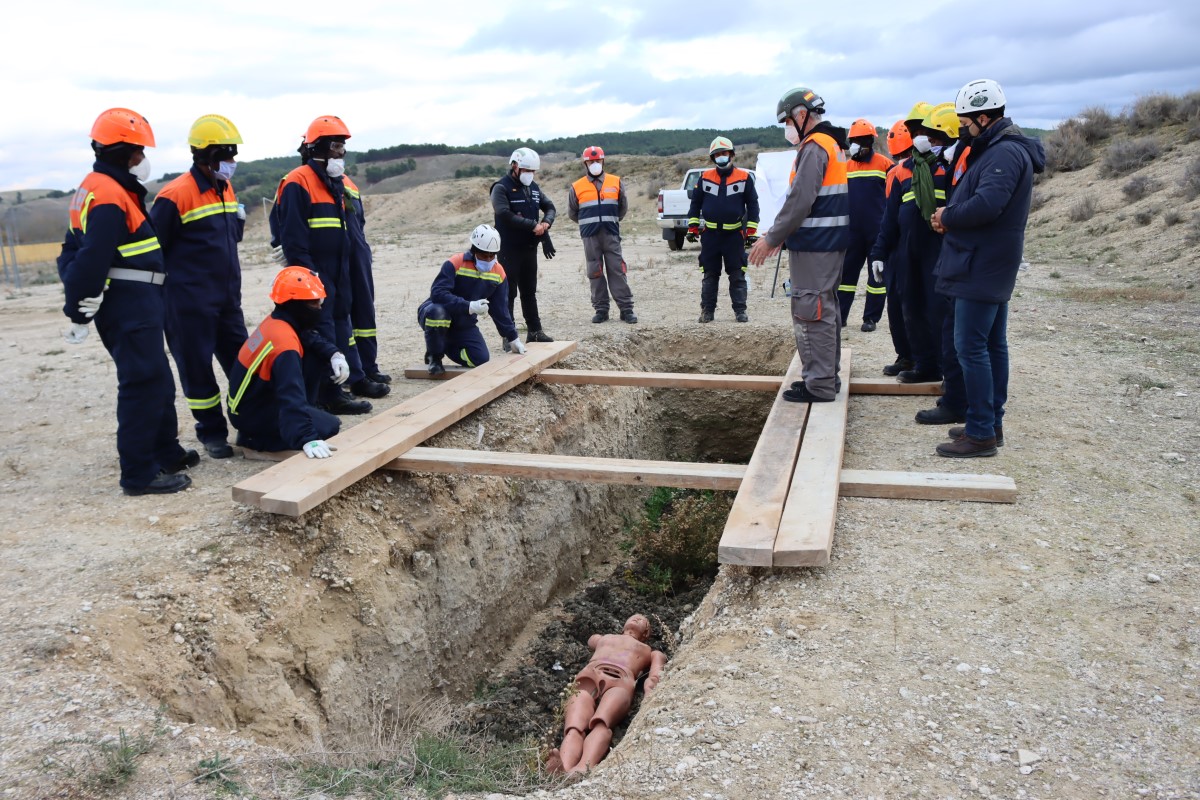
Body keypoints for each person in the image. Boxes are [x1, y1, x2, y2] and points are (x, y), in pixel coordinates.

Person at [57, 108, 196, 495]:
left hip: (141, 298)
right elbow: (90, 256)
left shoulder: (104, 187)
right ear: (122, 152)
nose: (143, 159)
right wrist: (78, 305)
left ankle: (165, 451)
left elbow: (71, 249)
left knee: (158, 378)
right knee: (142, 383)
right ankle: (138, 474)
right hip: (129, 301)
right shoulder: (107, 193)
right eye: (138, 151)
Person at [931, 79, 1045, 457]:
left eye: (966, 122)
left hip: (981, 264)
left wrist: (948, 215)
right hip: (986, 261)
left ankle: (981, 432)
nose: (962, 129)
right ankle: (988, 422)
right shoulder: (998, 148)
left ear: (983, 117)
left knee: (972, 347)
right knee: (992, 344)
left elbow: (986, 205)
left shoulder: (1003, 153)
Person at [271, 115, 385, 417]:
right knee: (321, 329)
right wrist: (310, 277)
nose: (341, 153)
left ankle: (353, 378)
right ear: (318, 147)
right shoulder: (298, 181)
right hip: (316, 271)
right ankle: (328, 395)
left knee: (342, 325)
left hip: (342, 267)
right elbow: (293, 237)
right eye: (336, 146)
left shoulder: (338, 183)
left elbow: (351, 226)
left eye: (343, 146)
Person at [151, 114, 249, 460]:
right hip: (187, 304)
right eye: (227, 155)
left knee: (245, 364)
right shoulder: (174, 195)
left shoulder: (225, 188)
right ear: (206, 155)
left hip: (226, 301)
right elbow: (153, 250)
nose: (232, 163)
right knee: (197, 371)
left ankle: (249, 423)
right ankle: (212, 433)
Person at [748, 87, 848, 403]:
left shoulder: (815, 147)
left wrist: (772, 238)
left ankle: (819, 384)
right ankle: (827, 378)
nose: (787, 129)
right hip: (826, 243)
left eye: (787, 122)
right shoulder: (830, 145)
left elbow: (799, 200)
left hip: (817, 245)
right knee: (824, 308)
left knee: (811, 310)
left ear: (801, 115)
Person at [226, 267, 342, 457]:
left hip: (253, 400)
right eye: (314, 304)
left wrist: (334, 354)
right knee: (329, 426)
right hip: (250, 413)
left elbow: (308, 336)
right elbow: (290, 392)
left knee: (316, 353)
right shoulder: (284, 344)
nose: (319, 308)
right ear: (295, 305)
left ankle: (297, 420)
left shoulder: (279, 320)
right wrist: (307, 438)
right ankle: (256, 442)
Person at [546, 614, 668, 774]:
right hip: (590, 675)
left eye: (643, 621)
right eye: (634, 617)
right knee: (574, 725)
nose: (638, 619)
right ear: (624, 624)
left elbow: (656, 672)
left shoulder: (649, 651)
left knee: (602, 722)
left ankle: (582, 768)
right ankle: (564, 767)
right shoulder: (606, 638)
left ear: (646, 634)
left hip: (620, 681)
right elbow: (591, 640)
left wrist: (650, 685)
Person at [417, 224, 526, 376]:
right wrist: (468, 306)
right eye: (484, 255)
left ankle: (441, 344)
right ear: (474, 250)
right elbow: (438, 293)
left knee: (481, 359)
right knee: (438, 313)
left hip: (463, 322)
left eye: (492, 255)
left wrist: (512, 338)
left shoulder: (498, 273)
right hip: (435, 311)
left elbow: (500, 309)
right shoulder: (456, 263)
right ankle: (434, 356)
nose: (488, 260)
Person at [687, 136, 760, 323]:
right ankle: (707, 312)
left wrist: (751, 231)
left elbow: (753, 205)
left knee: (737, 274)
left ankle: (740, 311)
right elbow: (695, 204)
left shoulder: (744, 178)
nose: (721, 157)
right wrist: (692, 227)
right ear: (713, 158)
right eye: (717, 154)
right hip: (710, 235)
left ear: (731, 155)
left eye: (724, 153)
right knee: (710, 275)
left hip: (734, 236)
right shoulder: (704, 178)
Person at [490, 147, 556, 343]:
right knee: (508, 294)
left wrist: (546, 223)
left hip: (529, 248)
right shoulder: (500, 188)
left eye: (532, 171)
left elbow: (550, 207)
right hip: (508, 249)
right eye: (527, 170)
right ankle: (508, 336)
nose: (530, 174)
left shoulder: (533, 188)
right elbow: (504, 214)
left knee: (529, 291)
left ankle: (535, 331)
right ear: (515, 166)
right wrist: (532, 225)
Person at [567, 146, 637, 324]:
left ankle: (626, 309)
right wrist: (588, 223)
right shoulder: (576, 186)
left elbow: (623, 207)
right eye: (591, 161)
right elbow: (572, 213)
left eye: (598, 160)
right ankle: (601, 310)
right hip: (590, 236)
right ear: (585, 163)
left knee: (617, 269)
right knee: (595, 271)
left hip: (610, 233)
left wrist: (611, 220)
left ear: (603, 161)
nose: (595, 164)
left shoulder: (615, 181)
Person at [870, 120, 916, 376]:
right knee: (897, 307)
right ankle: (907, 357)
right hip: (898, 249)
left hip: (916, 249)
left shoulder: (930, 170)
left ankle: (921, 359)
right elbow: (889, 217)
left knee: (913, 307)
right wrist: (880, 251)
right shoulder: (896, 173)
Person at [838, 118, 892, 332]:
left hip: (877, 233)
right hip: (851, 232)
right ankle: (840, 317)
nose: (855, 145)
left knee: (876, 278)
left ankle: (871, 318)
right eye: (853, 140)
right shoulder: (845, 167)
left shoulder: (885, 164)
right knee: (845, 277)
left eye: (859, 140)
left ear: (869, 142)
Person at [342, 174, 391, 388]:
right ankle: (348, 373)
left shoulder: (348, 183)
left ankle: (368, 367)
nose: (339, 153)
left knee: (364, 312)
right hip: (331, 258)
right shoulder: (301, 180)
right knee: (339, 316)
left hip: (357, 254)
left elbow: (359, 221)